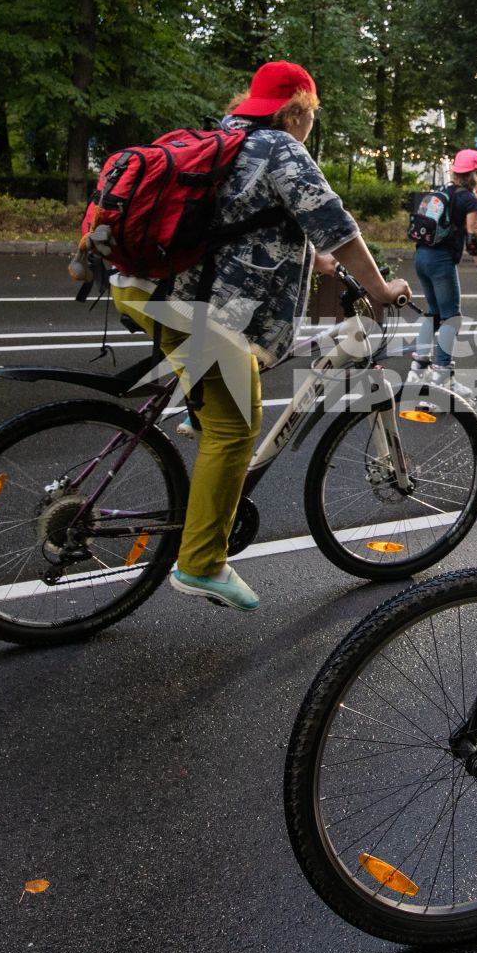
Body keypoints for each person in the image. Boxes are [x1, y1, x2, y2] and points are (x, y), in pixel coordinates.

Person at [109, 60, 409, 612]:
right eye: (310, 117)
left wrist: (310, 260)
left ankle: (197, 415)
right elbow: (338, 225)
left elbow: (237, 223)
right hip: (192, 307)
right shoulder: (280, 147)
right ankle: (200, 564)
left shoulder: (221, 137)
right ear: (297, 111)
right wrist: (381, 287)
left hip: (141, 287)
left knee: (222, 388)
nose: (309, 127)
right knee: (237, 426)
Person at [407, 148, 477, 384]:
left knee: (433, 314)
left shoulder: (441, 191)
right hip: (440, 261)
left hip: (421, 256)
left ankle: (418, 370)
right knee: (451, 318)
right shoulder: (469, 200)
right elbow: (473, 242)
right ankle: (442, 377)